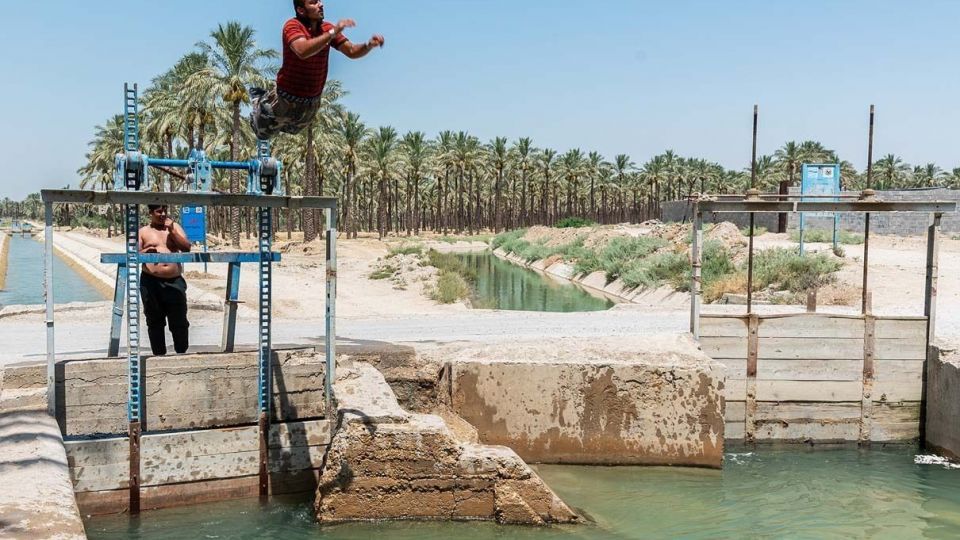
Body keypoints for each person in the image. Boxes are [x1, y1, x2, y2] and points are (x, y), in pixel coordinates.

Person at [249, 0, 385, 140]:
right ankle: (259, 100)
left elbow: (351, 51)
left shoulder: (327, 29)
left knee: (293, 131)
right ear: (301, 10)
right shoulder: (292, 26)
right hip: (284, 99)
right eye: (314, 2)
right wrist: (332, 33)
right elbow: (302, 51)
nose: (321, 4)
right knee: (263, 134)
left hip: (310, 103)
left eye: (320, 1)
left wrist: (369, 45)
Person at [138, 205, 192, 356]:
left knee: (179, 319)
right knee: (154, 320)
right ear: (150, 213)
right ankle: (159, 355)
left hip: (174, 281)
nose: (162, 214)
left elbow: (186, 247)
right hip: (151, 281)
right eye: (158, 211)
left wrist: (172, 231)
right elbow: (133, 253)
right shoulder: (143, 232)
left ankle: (181, 352)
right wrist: (146, 252)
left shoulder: (174, 228)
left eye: (164, 211)